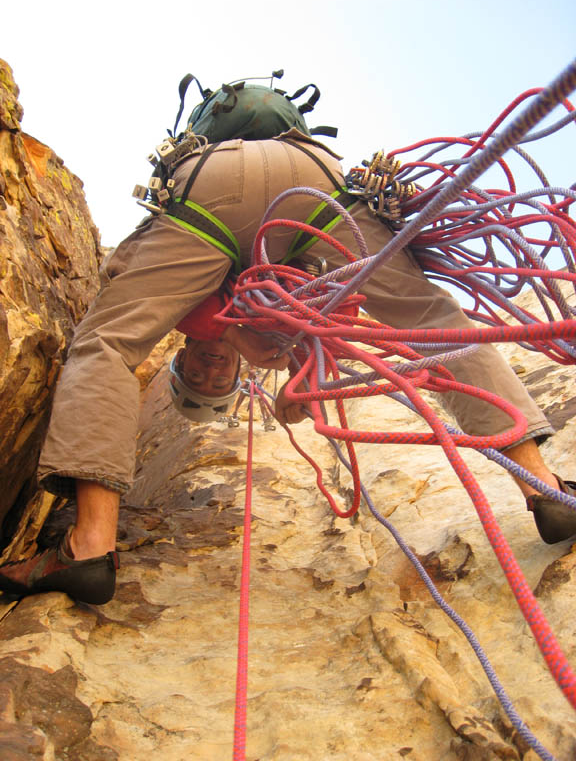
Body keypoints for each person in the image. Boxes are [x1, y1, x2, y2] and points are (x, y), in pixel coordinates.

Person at [0, 77, 574, 606]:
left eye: (197, 376)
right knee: (431, 319)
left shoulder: (226, 327)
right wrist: (289, 385)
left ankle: (89, 546)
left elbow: (121, 291)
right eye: (211, 380)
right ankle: (544, 489)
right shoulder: (280, 340)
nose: (206, 371)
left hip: (209, 190)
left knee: (103, 343)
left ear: (181, 360)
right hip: (320, 182)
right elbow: (328, 332)